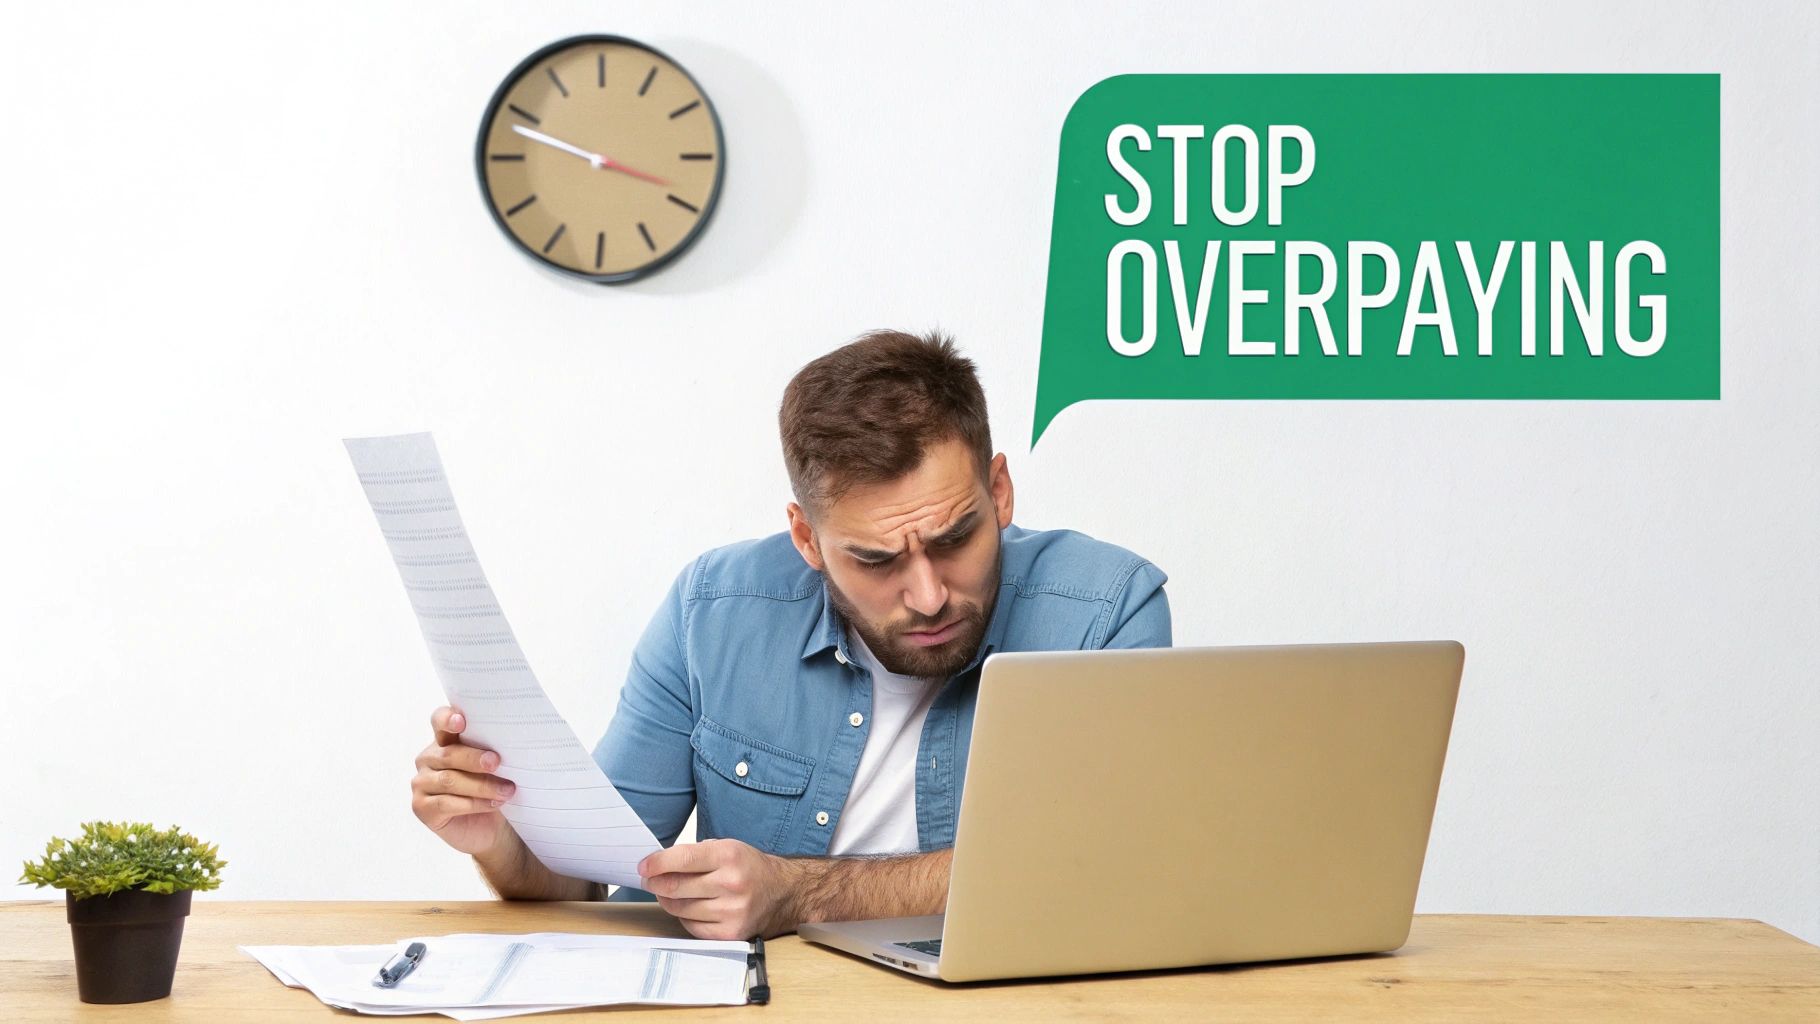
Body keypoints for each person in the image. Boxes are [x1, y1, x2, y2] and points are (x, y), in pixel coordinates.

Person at [411, 329, 1171, 939]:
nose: (930, 593)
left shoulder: (1107, 608)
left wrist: (800, 892)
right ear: (806, 540)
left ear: (998, 491)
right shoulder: (712, 611)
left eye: (955, 537)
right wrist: (498, 840)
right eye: (876, 560)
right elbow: (583, 879)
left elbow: (1109, 868)